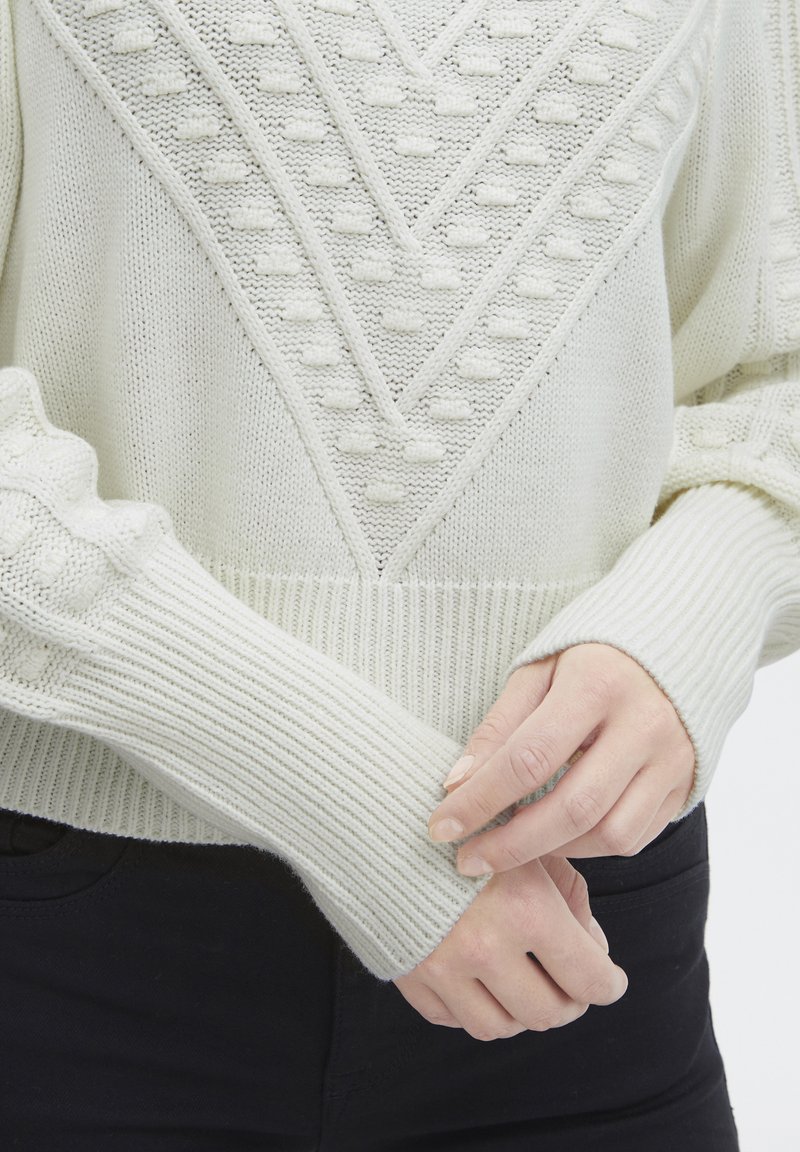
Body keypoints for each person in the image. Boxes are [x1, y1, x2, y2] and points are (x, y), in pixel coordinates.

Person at [0, 0, 796, 1146]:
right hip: (84, 937)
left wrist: (691, 610)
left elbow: (776, 363)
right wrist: (337, 788)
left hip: (574, 916)